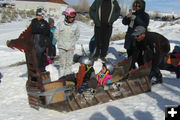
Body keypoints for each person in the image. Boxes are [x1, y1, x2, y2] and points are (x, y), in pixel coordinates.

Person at [122, 0, 149, 67]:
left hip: (138, 38)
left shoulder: (145, 15)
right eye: (136, 5)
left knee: (139, 57)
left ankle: (141, 72)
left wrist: (136, 18)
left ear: (142, 6)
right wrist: (126, 17)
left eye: (139, 5)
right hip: (129, 37)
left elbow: (144, 24)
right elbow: (124, 22)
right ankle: (132, 70)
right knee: (129, 55)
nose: (137, 7)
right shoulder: (132, 14)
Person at [54, 7, 80, 78]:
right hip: (62, 47)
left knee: (69, 63)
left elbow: (77, 34)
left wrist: (73, 41)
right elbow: (56, 34)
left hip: (70, 47)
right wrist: (60, 41)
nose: (72, 19)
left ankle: (68, 76)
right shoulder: (60, 24)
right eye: (70, 17)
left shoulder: (75, 25)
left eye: (73, 17)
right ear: (66, 16)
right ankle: (62, 76)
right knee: (63, 62)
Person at [31, 7, 50, 72]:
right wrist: (41, 30)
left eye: (40, 15)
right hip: (35, 40)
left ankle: (42, 69)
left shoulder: (45, 22)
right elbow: (33, 30)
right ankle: (36, 69)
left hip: (42, 41)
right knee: (36, 56)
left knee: (43, 56)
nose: (38, 17)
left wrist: (41, 31)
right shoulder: (34, 21)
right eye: (37, 15)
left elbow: (47, 31)